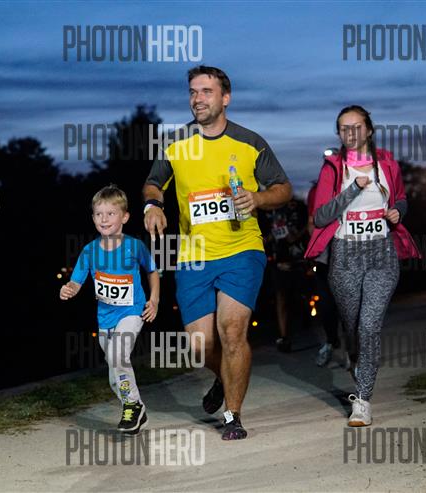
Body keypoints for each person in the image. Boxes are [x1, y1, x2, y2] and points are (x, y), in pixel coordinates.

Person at [143, 66, 292, 440]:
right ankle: (224, 378)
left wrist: (258, 198)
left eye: (206, 91)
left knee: (232, 330)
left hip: (241, 248)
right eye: (193, 92)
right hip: (193, 255)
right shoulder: (175, 143)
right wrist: (153, 206)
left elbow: (283, 188)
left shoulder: (250, 143)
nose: (198, 99)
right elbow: (153, 184)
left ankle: (233, 416)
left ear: (225, 98)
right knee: (200, 345)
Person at [305, 105, 420, 427]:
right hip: (345, 255)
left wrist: (397, 211)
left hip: (381, 253)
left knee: (369, 325)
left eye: (356, 127)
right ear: (339, 133)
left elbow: (401, 199)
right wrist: (353, 189)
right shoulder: (333, 168)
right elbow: (321, 217)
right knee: (353, 326)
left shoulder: (388, 164)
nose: (350, 133)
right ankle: (356, 357)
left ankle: (363, 400)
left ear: (369, 130)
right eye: (344, 128)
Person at [60, 185, 159, 434]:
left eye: (110, 213)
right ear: (93, 217)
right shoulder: (89, 251)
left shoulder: (134, 246)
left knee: (117, 356)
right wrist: (68, 289)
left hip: (132, 312)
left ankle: (131, 406)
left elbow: (152, 271)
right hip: (105, 319)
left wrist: (154, 300)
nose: (104, 219)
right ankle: (135, 406)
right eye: (98, 214)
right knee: (115, 372)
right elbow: (76, 282)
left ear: (124, 217)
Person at [264, 198, 309, 353]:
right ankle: (283, 336)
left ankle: (306, 319)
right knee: (281, 297)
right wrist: (268, 239)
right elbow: (264, 236)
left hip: (297, 258)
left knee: (301, 294)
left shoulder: (297, 206)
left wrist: (296, 235)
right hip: (277, 259)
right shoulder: (266, 208)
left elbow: (307, 226)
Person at [307, 180, 342, 367]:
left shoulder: (353, 185)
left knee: (348, 303)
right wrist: (315, 246)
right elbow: (311, 222)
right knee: (326, 303)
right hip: (325, 257)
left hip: (349, 255)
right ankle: (331, 342)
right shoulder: (316, 190)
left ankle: (355, 349)